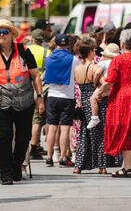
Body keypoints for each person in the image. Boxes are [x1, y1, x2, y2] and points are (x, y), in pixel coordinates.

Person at [0, 19, 44, 185]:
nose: (1, 35)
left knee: (24, 138)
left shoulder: (24, 51)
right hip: (0, 102)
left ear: (11, 34)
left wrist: (40, 97)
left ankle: (17, 166)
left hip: (24, 102)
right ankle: (5, 173)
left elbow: (35, 75)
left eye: (5, 32)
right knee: (5, 137)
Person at [93, 29, 131, 178]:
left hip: (126, 96)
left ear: (122, 43)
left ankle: (127, 168)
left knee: (125, 128)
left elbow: (111, 81)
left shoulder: (118, 60)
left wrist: (98, 92)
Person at [73, 38, 117, 174]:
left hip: (83, 100)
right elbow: (105, 82)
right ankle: (102, 165)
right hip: (97, 101)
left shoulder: (77, 68)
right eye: (94, 50)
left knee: (84, 134)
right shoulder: (93, 67)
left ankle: (78, 165)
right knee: (100, 134)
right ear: (91, 52)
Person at [44, 34, 79, 168]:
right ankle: (64, 157)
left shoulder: (49, 58)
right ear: (68, 45)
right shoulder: (73, 59)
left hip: (52, 95)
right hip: (67, 97)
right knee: (65, 128)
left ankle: (49, 157)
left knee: (52, 127)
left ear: (56, 44)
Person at [27, 29, 51, 160]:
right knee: (37, 119)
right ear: (42, 40)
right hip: (39, 87)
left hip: (24, 87)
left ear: (32, 39)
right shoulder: (47, 52)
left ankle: (26, 145)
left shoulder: (24, 50)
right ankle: (34, 147)